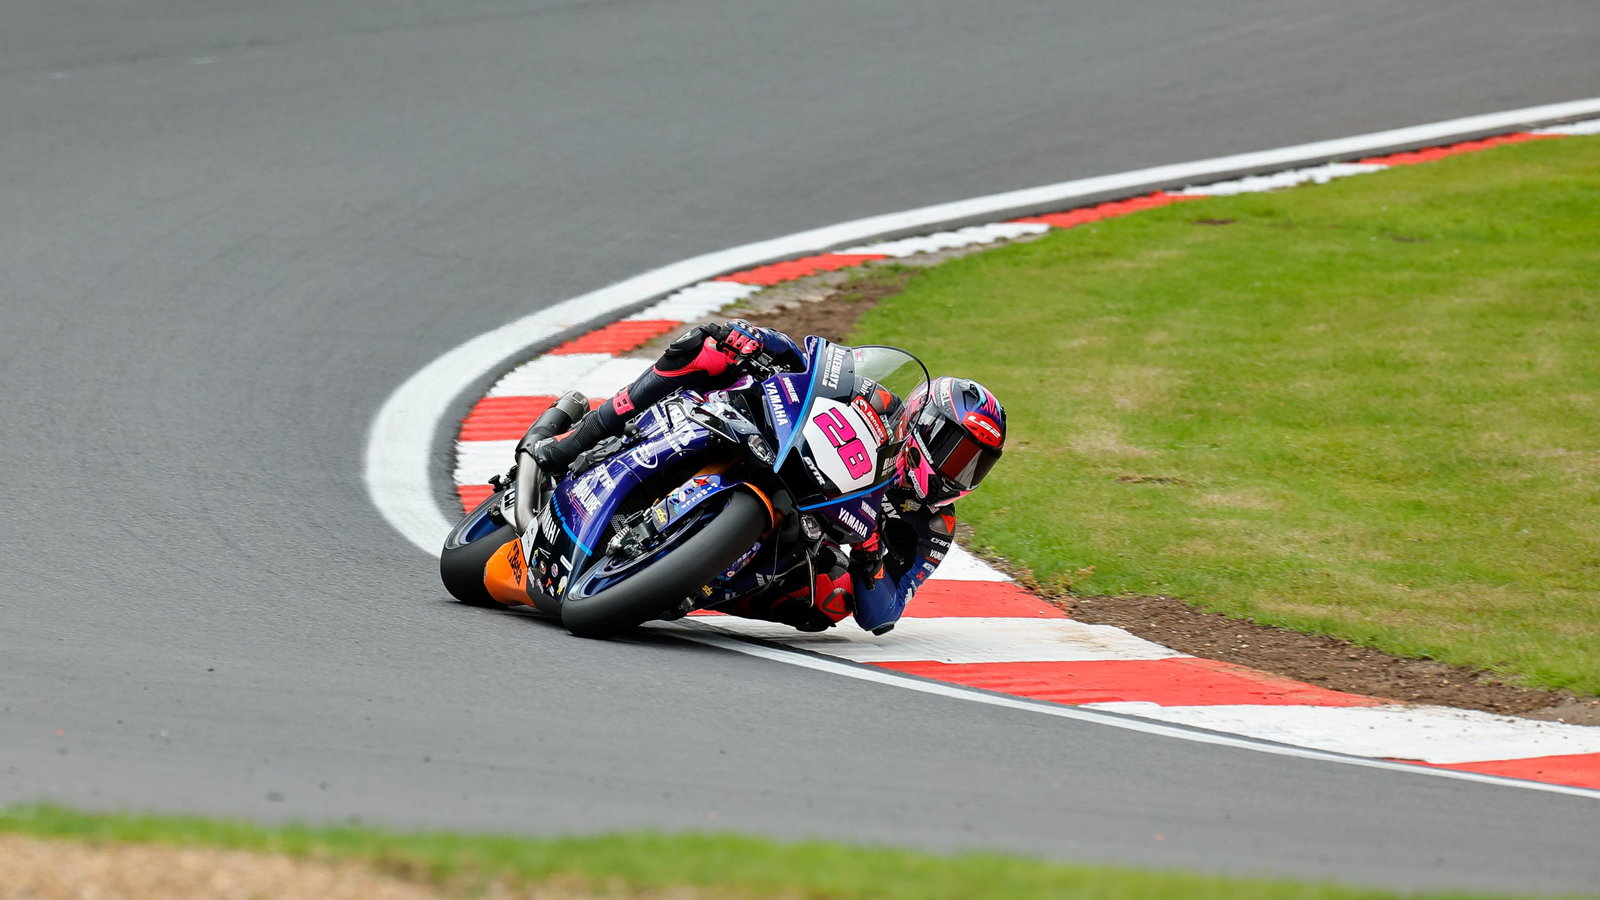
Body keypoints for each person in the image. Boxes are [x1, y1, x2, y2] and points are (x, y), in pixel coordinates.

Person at [529, 320, 1007, 634]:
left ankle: (688, 582)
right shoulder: (880, 403)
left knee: (832, 603)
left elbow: (884, 614)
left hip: (802, 533)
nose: (958, 471)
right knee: (703, 352)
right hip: (764, 440)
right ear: (925, 423)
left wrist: (868, 555)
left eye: (976, 463)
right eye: (955, 450)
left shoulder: (935, 528)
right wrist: (753, 340)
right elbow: (808, 366)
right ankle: (575, 442)